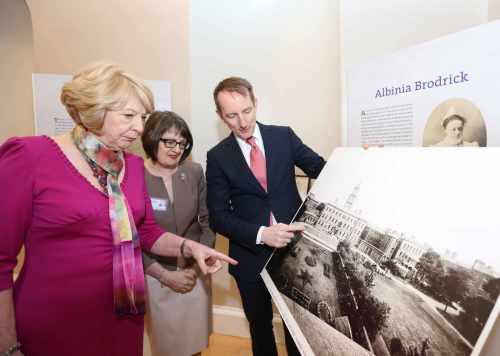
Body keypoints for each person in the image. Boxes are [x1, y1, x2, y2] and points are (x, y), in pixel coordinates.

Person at [0, 62, 236, 356]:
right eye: (128, 116)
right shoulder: (31, 156)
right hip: (55, 320)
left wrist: (190, 247)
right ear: (95, 109)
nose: (139, 128)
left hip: (123, 316)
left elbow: (147, 231)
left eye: (143, 117)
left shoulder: (133, 166)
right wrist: (7, 345)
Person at [206, 77, 326, 356]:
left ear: (255, 103)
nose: (243, 122)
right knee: (260, 328)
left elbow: (322, 169)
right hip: (249, 257)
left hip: (291, 253)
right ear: (220, 116)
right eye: (232, 116)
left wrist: (359, 158)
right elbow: (218, 216)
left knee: (295, 330)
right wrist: (262, 234)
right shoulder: (218, 156)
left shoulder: (283, 136)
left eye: (247, 111)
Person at [141, 111, 215, 356]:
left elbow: (207, 223)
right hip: (155, 275)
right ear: (152, 138)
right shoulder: (133, 177)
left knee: (194, 345)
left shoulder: (194, 172)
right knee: (166, 346)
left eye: (182, 143)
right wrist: (163, 275)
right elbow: (130, 237)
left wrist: (195, 268)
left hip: (195, 272)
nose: (176, 149)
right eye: (169, 141)